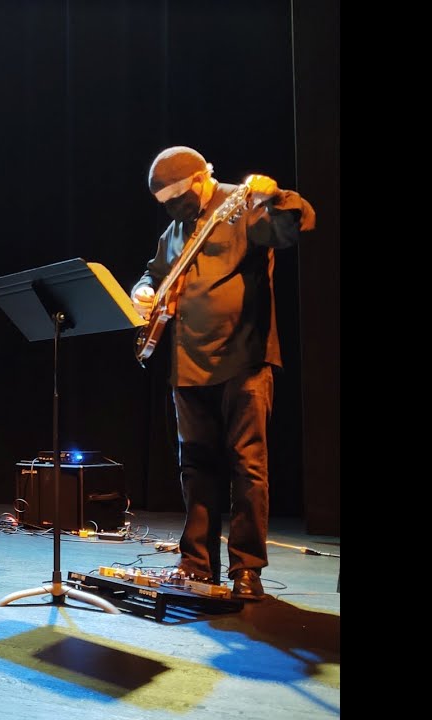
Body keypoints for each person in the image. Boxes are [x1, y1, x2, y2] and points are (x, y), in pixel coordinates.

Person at [130, 146, 315, 600]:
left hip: (242, 359)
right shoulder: (175, 231)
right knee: (195, 467)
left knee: (248, 465)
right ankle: (197, 564)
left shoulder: (242, 205)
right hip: (186, 364)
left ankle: (246, 570)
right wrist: (144, 290)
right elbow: (152, 273)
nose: (171, 210)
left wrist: (276, 195)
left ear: (198, 182)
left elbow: (298, 224)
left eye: (175, 199)